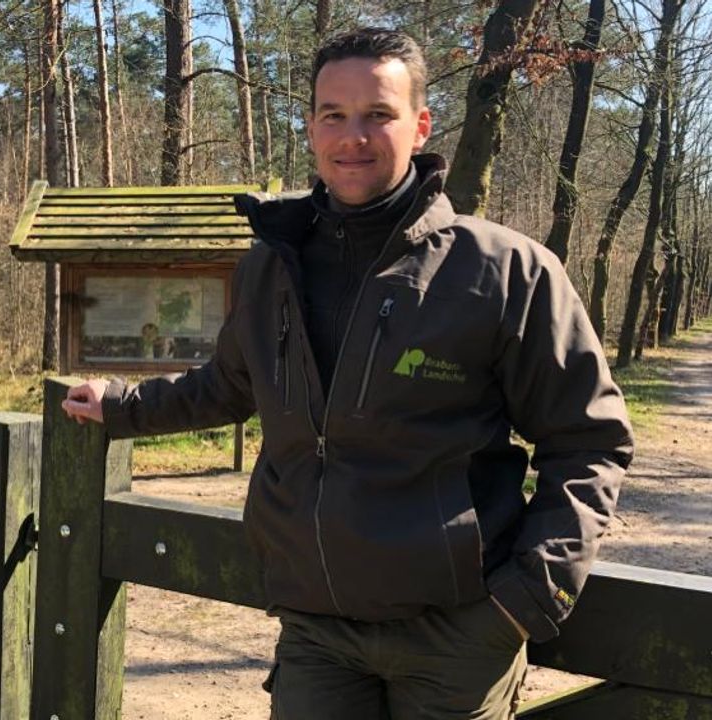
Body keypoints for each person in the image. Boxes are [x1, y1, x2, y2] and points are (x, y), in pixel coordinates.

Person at [61, 27, 633, 720]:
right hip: (316, 629)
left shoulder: (503, 272)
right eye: (333, 114)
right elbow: (229, 385)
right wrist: (121, 406)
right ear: (310, 128)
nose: (352, 136)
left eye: (378, 115)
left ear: (420, 126)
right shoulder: (274, 264)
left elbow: (590, 441)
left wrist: (529, 597)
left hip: (457, 631)